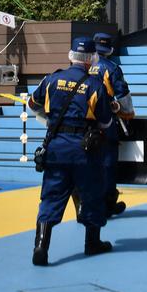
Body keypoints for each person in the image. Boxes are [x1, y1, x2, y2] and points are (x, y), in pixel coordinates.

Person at [28, 37, 113, 266]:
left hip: (55, 146)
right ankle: (92, 243)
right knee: (92, 194)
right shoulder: (96, 85)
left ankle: (41, 246)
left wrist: (52, 120)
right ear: (92, 58)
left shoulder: (52, 79)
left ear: (71, 55)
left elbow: (32, 104)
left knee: (51, 196)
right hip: (84, 150)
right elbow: (105, 121)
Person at [89, 31, 135, 216]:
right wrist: (127, 113)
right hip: (105, 120)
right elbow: (122, 93)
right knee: (107, 163)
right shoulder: (111, 67)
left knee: (88, 164)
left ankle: (87, 203)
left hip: (83, 121)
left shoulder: (83, 65)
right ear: (109, 49)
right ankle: (107, 204)